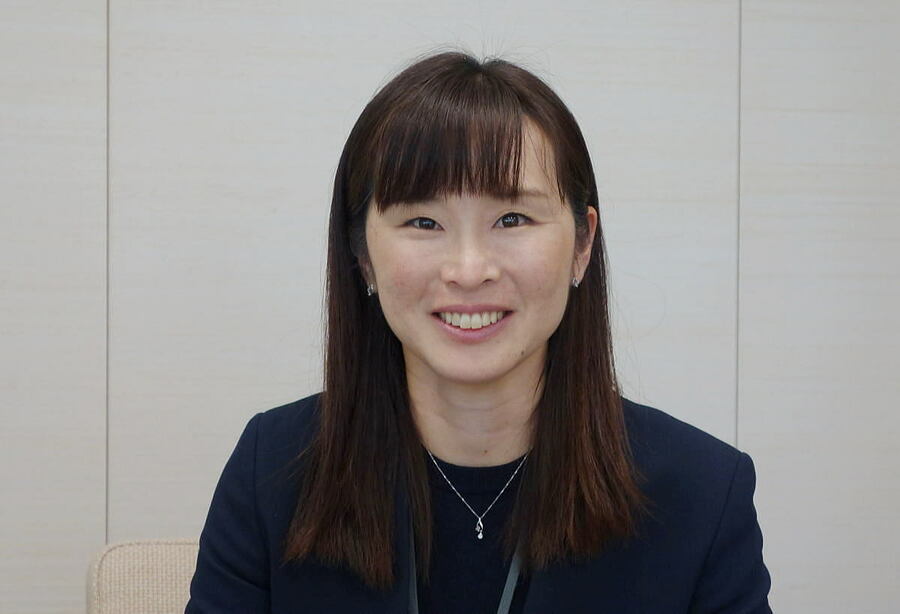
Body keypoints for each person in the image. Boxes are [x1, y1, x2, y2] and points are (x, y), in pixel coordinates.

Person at [185, 50, 773, 613]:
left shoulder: (702, 493)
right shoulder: (274, 470)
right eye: (423, 221)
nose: (468, 270)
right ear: (362, 255)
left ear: (582, 244)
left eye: (512, 219)